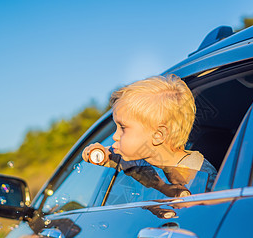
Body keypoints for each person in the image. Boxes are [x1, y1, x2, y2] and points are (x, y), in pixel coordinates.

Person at [82, 74, 217, 197]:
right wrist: (101, 154)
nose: (115, 136)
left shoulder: (200, 174)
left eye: (123, 128)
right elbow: (116, 158)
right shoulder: (144, 160)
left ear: (158, 135)